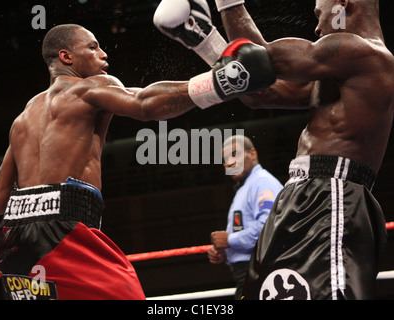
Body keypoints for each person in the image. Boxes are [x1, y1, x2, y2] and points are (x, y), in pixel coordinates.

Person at [0, 24, 276, 300]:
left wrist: (38, 198)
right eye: (92, 47)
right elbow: (144, 105)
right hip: (63, 232)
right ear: (66, 57)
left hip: (12, 241)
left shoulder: (22, 119)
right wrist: (219, 82)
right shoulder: (88, 89)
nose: (104, 54)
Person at [154, 0, 394, 299]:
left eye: (320, 14)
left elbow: (259, 60)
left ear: (343, 4)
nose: (317, 27)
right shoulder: (344, 70)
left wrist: (226, 4)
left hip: (333, 195)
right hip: (303, 196)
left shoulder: (365, 52)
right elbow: (260, 89)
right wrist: (203, 39)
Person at [208, 135, 283, 300]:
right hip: (249, 273)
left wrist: (230, 240)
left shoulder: (262, 182)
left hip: (260, 272)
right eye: (225, 159)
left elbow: (268, 228)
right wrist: (226, 252)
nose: (230, 163)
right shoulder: (245, 187)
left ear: (253, 154)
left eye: (235, 155)